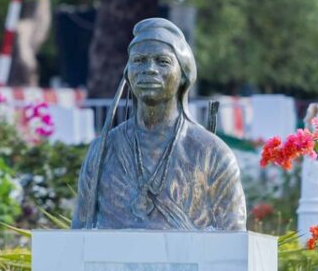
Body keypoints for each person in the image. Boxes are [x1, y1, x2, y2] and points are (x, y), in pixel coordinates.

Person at [70, 17, 245, 231]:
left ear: (184, 75)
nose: (150, 69)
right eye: (139, 60)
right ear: (128, 73)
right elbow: (80, 230)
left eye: (162, 61)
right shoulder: (103, 151)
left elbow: (233, 236)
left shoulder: (212, 153)